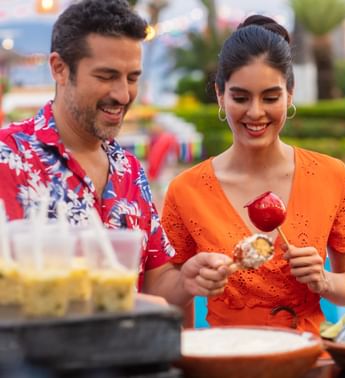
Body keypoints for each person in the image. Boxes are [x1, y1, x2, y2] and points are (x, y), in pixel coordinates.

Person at [0, 0, 234, 307]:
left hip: (128, 354)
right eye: (106, 76)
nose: (123, 95)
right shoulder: (8, 157)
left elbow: (154, 280)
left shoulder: (130, 170)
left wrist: (184, 280)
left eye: (132, 78)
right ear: (59, 68)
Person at [161, 15, 345, 334]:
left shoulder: (331, 175)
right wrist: (190, 282)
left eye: (271, 97)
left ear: (290, 94)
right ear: (220, 94)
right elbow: (167, 294)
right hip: (226, 360)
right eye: (240, 98)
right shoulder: (186, 189)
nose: (256, 112)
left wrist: (323, 280)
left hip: (309, 359)